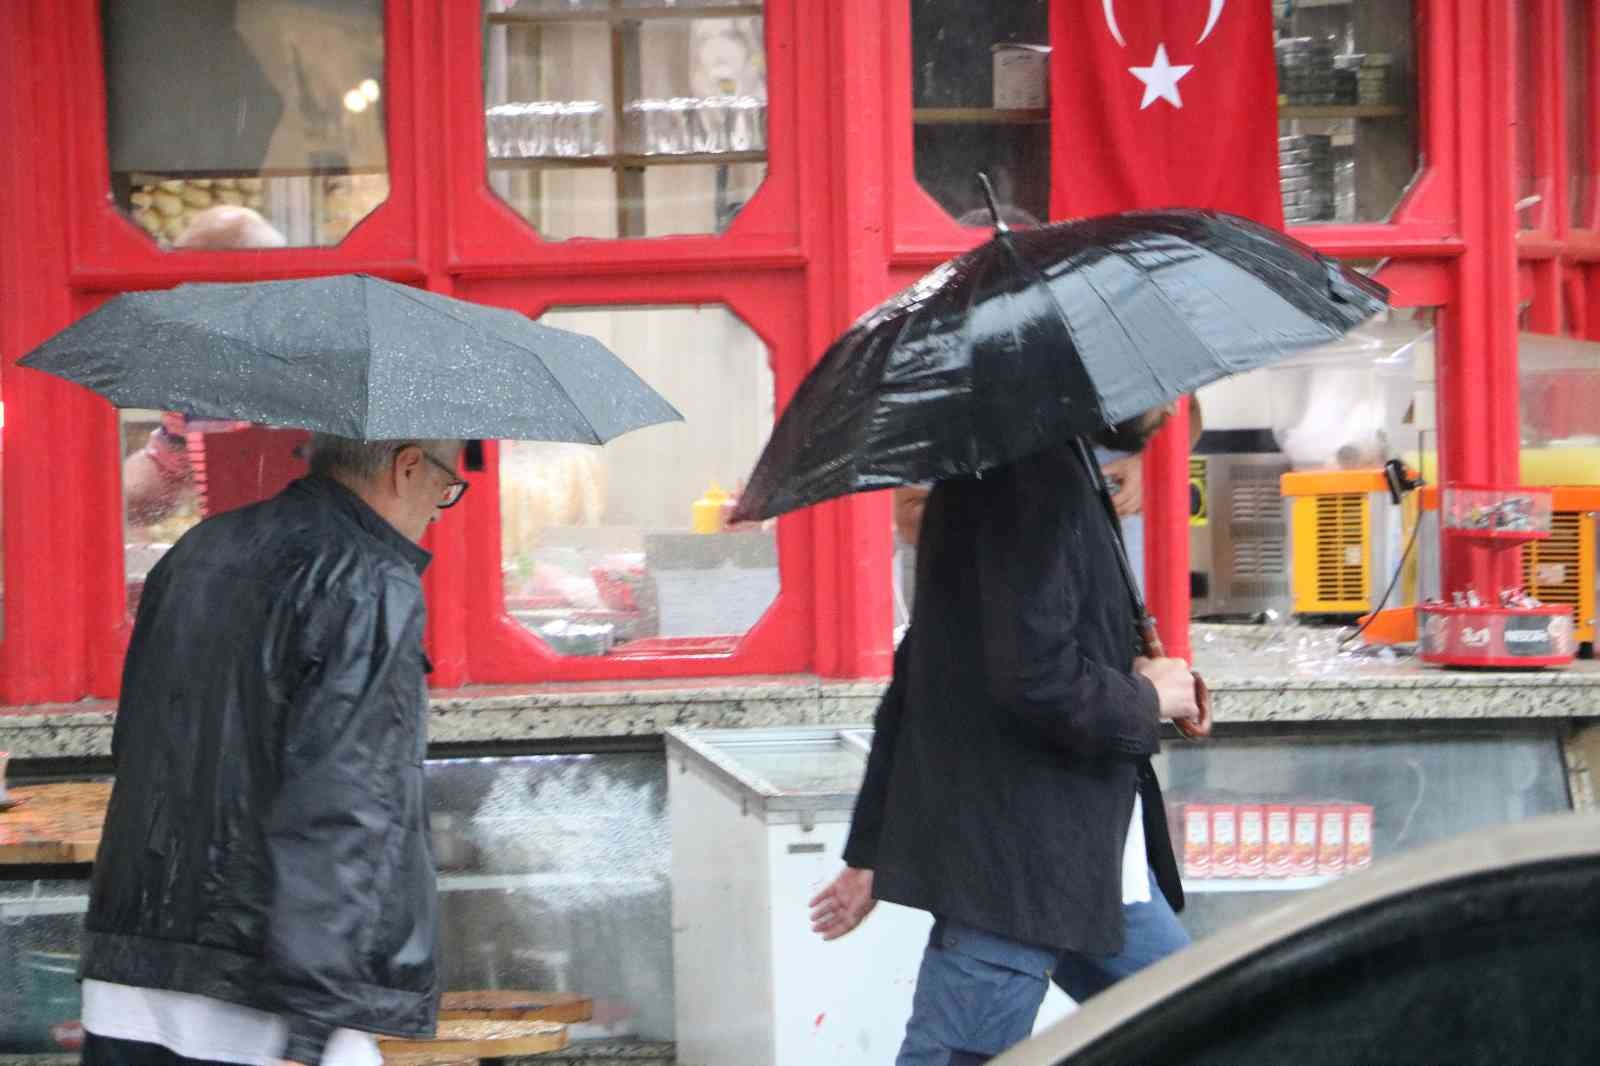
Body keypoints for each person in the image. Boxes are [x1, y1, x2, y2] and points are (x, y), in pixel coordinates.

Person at [811, 406, 1200, 1065]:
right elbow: (1033, 679)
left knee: (1214, 1023)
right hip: (1020, 859)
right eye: (1160, 393)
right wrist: (1145, 696)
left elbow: (925, 673)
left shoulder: (1025, 462)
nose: (1167, 409)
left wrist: (874, 847)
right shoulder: (1030, 481)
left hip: (1088, 857)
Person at [79, 435, 471, 1066]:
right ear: (406, 466)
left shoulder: (198, 548)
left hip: (130, 977)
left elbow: (137, 743)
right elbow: (350, 808)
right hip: (266, 1006)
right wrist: (314, 1029)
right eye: (445, 489)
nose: (435, 510)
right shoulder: (372, 580)